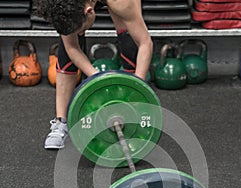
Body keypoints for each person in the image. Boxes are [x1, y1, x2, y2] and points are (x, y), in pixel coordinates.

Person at [36, 0, 153, 149]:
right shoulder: (62, 4)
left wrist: (137, 87)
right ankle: (61, 122)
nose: (80, 33)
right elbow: (72, 48)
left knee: (130, 38)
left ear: (89, 11)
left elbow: (145, 43)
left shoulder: (122, 2)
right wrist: (99, 79)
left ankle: (134, 113)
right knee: (66, 45)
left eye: (81, 30)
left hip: (122, 3)